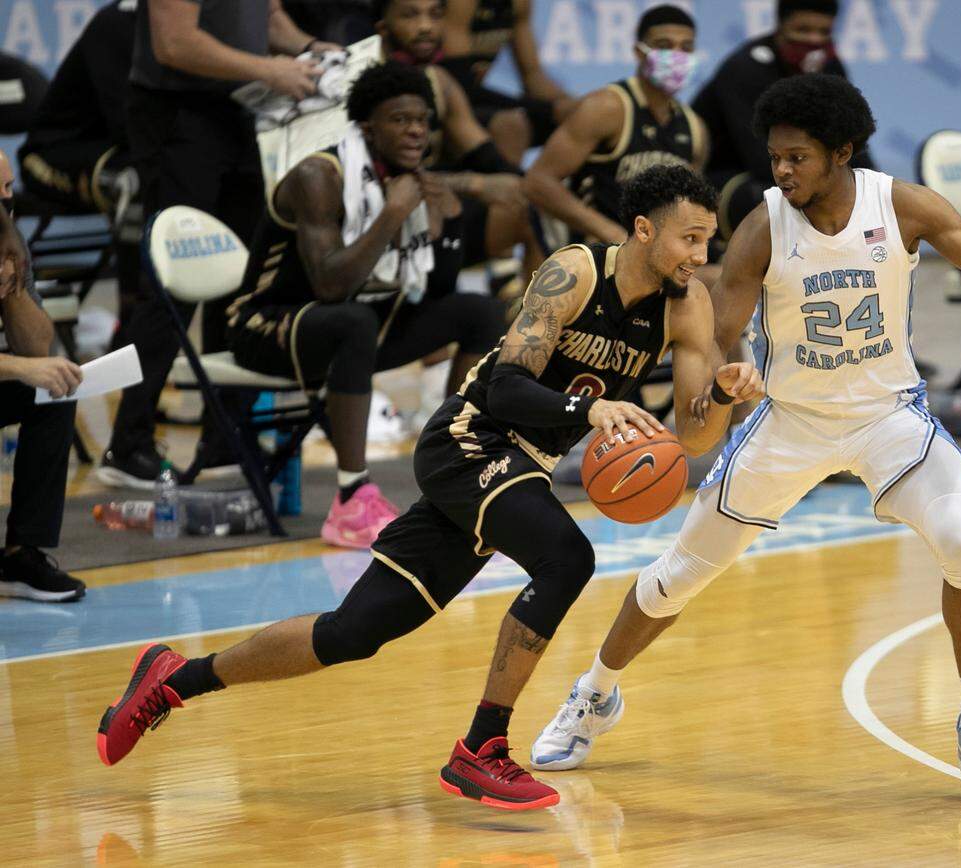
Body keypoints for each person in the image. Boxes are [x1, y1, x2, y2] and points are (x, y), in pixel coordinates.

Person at [96, 164, 763, 811]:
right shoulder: (575, 271)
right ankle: (482, 747)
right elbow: (502, 386)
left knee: (351, 633)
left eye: (707, 240)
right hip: (470, 440)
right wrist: (585, 412)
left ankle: (173, 680)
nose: (700, 255)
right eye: (690, 238)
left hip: (515, 469)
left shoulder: (687, 306)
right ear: (644, 230)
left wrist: (722, 397)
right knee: (567, 558)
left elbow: (693, 436)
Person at [532, 74, 961, 784]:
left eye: (797, 157)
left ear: (841, 151)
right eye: (774, 156)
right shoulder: (762, 225)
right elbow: (717, 334)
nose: (781, 170)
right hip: (791, 424)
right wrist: (727, 377)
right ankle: (593, 695)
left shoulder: (903, 206)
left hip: (890, 418)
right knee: (676, 578)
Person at [226, 63, 506, 548]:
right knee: (353, 320)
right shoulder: (319, 175)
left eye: (422, 119)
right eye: (400, 119)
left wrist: (451, 222)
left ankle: (452, 467)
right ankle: (350, 496)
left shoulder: (406, 177)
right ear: (366, 127)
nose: (416, 130)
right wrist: (394, 212)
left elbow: (433, 293)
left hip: (349, 328)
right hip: (264, 325)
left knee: (479, 312)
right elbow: (331, 285)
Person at [97, 0, 341, 489]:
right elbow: (174, 43)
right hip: (178, 114)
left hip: (239, 108)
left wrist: (311, 50)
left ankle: (225, 438)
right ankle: (127, 444)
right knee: (173, 286)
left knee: (243, 277)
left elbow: (267, 17)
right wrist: (269, 69)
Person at [374, 0, 543, 280]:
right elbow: (382, 184)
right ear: (382, 27)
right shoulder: (363, 87)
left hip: (430, 210)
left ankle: (529, 309)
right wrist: (474, 183)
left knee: (526, 205)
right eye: (410, 16)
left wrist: (535, 187)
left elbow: (485, 154)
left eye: (435, 15)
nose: (426, 27)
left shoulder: (438, 80)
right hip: (379, 229)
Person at [523, 4, 707, 248]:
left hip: (652, 256)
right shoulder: (607, 108)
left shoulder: (695, 129)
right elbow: (537, 182)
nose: (676, 55)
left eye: (686, 48)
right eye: (664, 46)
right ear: (639, 52)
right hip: (594, 252)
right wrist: (613, 234)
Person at [693, 0, 874, 240]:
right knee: (771, 197)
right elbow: (761, 157)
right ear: (780, 26)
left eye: (824, 32)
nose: (814, 40)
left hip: (800, 169)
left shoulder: (829, 65)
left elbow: (852, 138)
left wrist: (871, 188)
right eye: (803, 30)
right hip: (730, 175)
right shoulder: (745, 69)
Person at [17, 0, 143, 340]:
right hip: (50, 157)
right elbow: (128, 123)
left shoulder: (194, 30)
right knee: (135, 184)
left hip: (113, 151)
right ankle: (131, 328)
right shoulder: (115, 25)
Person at [0, 150, 86, 603]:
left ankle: (21, 553)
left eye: (9, 189)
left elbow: (37, 347)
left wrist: (10, 287)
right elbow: (24, 361)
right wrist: (19, 367)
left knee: (54, 389)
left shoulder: (9, 241)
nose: (6, 203)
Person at [440, 0, 576, 165]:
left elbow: (534, 77)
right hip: (444, 101)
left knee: (585, 116)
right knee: (511, 125)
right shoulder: (461, 4)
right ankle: (512, 186)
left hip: (476, 100)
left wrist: (575, 106)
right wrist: (548, 110)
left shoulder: (519, 4)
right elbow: (458, 83)